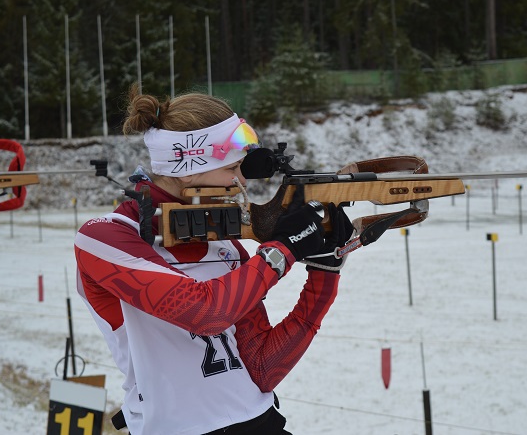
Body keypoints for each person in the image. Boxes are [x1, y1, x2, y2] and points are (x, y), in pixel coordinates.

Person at [74, 86, 353, 435]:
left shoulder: (223, 243)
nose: (239, 181)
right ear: (189, 170)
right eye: (233, 168)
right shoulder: (105, 238)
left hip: (260, 423)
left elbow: (264, 368)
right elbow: (206, 313)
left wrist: (325, 271)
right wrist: (285, 247)